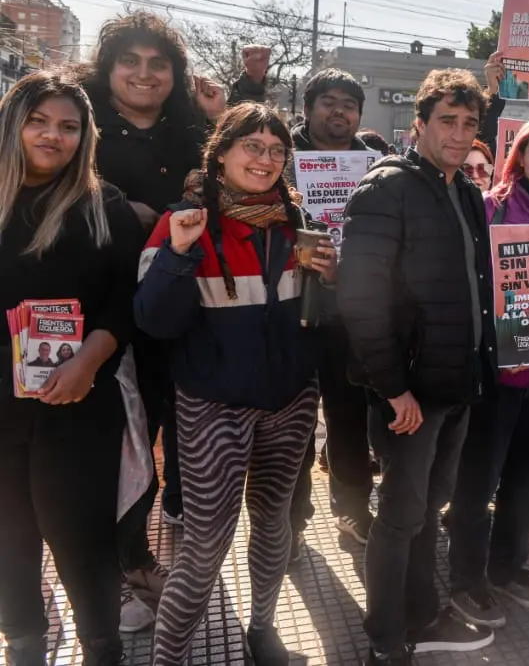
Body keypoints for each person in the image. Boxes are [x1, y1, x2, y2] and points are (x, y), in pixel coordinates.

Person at [136, 103, 335, 666]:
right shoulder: (186, 221)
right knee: (203, 547)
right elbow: (153, 321)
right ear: (221, 152)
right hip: (212, 405)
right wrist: (178, 254)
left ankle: (263, 630)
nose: (265, 158)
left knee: (275, 523)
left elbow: (320, 319)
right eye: (252, 145)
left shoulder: (298, 223)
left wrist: (331, 282)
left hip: (290, 400)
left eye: (276, 149)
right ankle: (167, 659)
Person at [339, 69, 498, 664]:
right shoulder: (386, 189)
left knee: (430, 510)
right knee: (401, 518)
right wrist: (393, 388)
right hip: (410, 393)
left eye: (469, 124)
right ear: (421, 125)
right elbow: (360, 300)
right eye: (447, 122)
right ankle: (386, 636)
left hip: (456, 383)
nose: (459, 135)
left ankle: (424, 612)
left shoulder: (465, 193)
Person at [0, 71, 144, 666]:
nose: (52, 136)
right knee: (9, 541)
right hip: (1, 411)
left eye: (68, 126)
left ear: (85, 136)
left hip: (79, 401)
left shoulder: (102, 204)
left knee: (82, 540)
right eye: (39, 121)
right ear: (13, 123)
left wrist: (91, 358)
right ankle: (23, 645)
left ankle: (100, 647)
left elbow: (127, 297)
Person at [78, 10, 212, 630]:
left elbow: (245, 170)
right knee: (117, 441)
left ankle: (137, 554)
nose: (143, 73)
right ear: (106, 69)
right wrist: (112, 207)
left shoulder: (190, 131)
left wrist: (220, 116)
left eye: (158, 63)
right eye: (129, 61)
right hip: (100, 314)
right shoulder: (79, 127)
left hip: (177, 310)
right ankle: (112, 570)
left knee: (158, 434)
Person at [446, 117, 529, 629]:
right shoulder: (490, 207)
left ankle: (509, 567)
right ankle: (466, 578)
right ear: (519, 156)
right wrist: (499, 343)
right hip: (496, 375)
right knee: (478, 484)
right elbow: (472, 288)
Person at [286, 69, 379, 555]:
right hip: (292, 312)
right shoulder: (281, 155)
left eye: (349, 103)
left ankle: (354, 510)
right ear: (308, 107)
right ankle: (292, 523)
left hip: (351, 314)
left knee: (349, 420)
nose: (338, 111)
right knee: (295, 427)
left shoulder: (374, 164)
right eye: (328, 101)